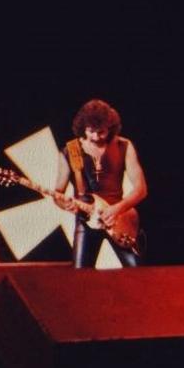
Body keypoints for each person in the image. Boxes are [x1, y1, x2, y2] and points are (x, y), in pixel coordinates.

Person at [54, 98, 147, 268]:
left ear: (110, 128)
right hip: (86, 222)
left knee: (138, 275)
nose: (96, 136)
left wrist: (117, 208)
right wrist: (63, 204)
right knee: (80, 280)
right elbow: (58, 192)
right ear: (83, 127)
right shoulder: (70, 150)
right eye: (91, 131)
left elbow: (141, 189)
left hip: (119, 220)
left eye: (101, 132)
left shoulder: (124, 145)